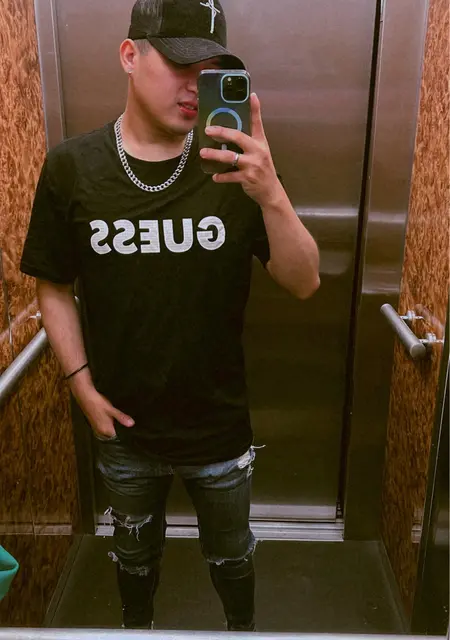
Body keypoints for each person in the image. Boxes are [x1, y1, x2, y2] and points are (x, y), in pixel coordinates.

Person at [20, 0, 320, 630]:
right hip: (124, 429)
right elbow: (53, 285)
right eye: (182, 65)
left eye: (211, 73)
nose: (195, 87)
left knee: (233, 556)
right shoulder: (73, 166)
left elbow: (303, 282)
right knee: (133, 559)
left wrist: (271, 193)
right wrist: (82, 389)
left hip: (219, 428)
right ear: (130, 56)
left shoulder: (236, 167)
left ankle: (242, 631)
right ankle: (138, 630)